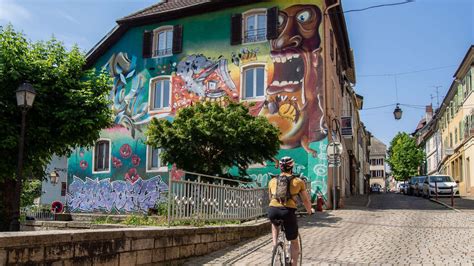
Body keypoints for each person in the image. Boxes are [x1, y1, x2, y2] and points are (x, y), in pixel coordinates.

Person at [268, 156, 313, 266]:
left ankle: (275, 245)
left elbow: (271, 198)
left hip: (273, 210)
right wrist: (309, 211)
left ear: (281, 168)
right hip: (288, 212)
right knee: (294, 241)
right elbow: (306, 200)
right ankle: (293, 264)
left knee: (274, 223)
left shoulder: (272, 181)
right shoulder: (298, 181)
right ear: (292, 167)